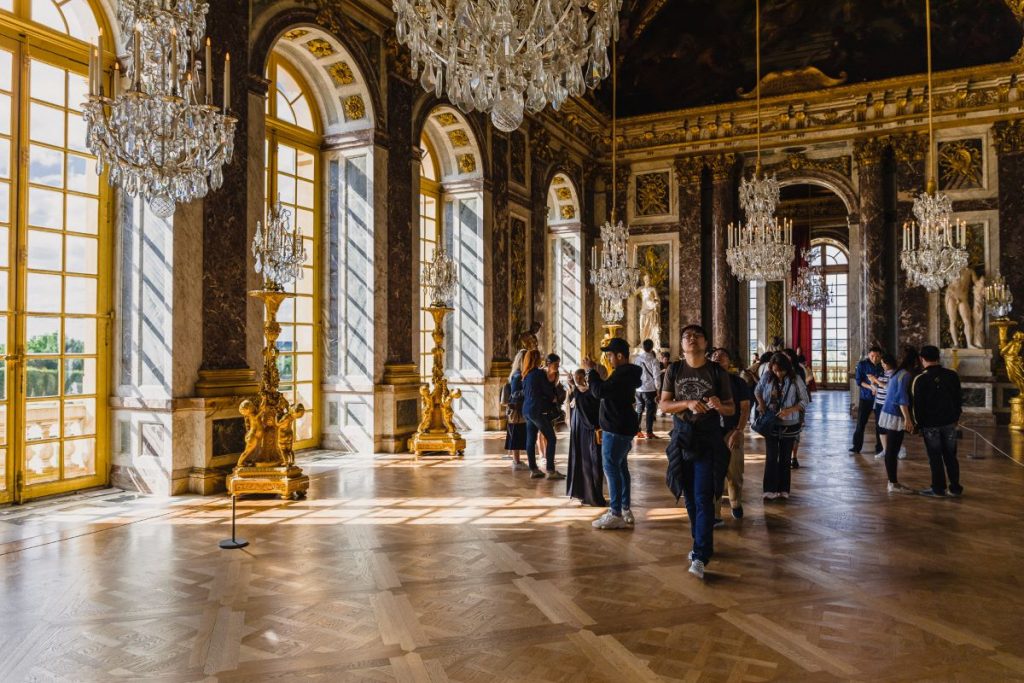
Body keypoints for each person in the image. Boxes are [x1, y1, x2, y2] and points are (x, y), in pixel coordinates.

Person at [660, 324, 734, 580]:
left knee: (703, 496)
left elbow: (730, 408)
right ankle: (700, 544)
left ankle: (701, 554)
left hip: (707, 439)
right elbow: (664, 404)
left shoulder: (716, 371)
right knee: (689, 496)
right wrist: (687, 403)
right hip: (682, 439)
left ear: (705, 342)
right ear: (681, 344)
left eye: (696, 336)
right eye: (686, 336)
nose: (691, 339)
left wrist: (718, 405)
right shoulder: (674, 370)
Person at [583, 338, 643, 530]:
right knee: (621, 468)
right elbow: (607, 391)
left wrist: (590, 372)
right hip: (622, 427)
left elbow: (599, 391)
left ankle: (615, 512)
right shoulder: (624, 374)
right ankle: (624, 508)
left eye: (609, 355)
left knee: (611, 468)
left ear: (619, 355)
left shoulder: (622, 374)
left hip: (615, 428)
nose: (608, 359)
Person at [755, 353, 809, 500]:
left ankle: (784, 489)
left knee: (785, 458)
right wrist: (761, 404)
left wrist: (789, 410)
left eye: (781, 370)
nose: (778, 373)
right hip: (770, 423)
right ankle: (769, 489)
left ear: (787, 368)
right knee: (771, 457)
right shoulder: (767, 376)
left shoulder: (795, 379)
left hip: (790, 424)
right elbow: (757, 391)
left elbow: (805, 400)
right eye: (775, 370)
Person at [912, 345, 964, 497]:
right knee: (951, 457)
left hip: (930, 425)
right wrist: (956, 418)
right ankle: (955, 488)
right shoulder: (952, 375)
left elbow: (917, 406)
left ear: (922, 359)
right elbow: (958, 399)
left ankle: (938, 489)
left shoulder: (920, 379)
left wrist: (918, 425)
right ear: (938, 358)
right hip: (949, 422)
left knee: (935, 457)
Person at [711, 348, 751, 521]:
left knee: (734, 473)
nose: (718, 358)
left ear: (729, 362)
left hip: (732, 430)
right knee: (713, 475)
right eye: (715, 356)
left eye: (723, 356)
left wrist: (738, 431)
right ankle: (715, 514)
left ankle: (735, 502)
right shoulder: (707, 383)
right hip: (711, 434)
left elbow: (745, 409)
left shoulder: (737, 382)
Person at [877, 346, 920, 494]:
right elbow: (902, 398)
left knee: (892, 449)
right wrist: (908, 419)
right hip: (895, 414)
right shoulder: (905, 375)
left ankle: (893, 482)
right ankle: (893, 483)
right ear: (915, 362)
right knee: (892, 450)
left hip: (890, 412)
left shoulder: (899, 373)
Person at [566, 368, 607, 507]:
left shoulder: (593, 394)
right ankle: (583, 493)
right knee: (582, 462)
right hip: (580, 431)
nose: (580, 380)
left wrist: (574, 389)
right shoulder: (583, 392)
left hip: (590, 433)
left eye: (582, 377)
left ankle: (594, 496)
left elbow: (586, 407)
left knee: (593, 464)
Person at [523, 349, 565, 480]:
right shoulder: (539, 373)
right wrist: (552, 396)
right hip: (537, 411)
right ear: (536, 359)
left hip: (527, 410)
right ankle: (551, 470)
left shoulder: (526, 374)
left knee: (530, 440)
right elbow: (548, 391)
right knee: (551, 438)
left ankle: (533, 469)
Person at [851, 346, 884, 456]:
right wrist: (871, 387)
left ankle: (880, 448)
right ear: (868, 355)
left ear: (881, 356)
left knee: (880, 424)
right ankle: (856, 447)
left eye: (877, 356)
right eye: (872, 356)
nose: (875, 359)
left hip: (880, 398)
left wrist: (878, 388)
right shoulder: (862, 364)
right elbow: (859, 381)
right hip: (866, 397)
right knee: (861, 423)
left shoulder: (883, 365)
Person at [503, 350, 528, 470]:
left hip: (520, 409)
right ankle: (516, 461)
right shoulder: (517, 375)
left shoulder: (521, 374)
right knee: (516, 435)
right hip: (516, 410)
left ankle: (517, 461)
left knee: (519, 434)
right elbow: (514, 393)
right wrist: (528, 391)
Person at [869, 353, 896, 460]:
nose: (883, 365)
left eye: (884, 363)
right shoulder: (882, 373)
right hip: (879, 403)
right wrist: (873, 386)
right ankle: (885, 450)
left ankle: (895, 449)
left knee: (890, 428)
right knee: (880, 427)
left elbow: (889, 388)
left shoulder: (894, 374)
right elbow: (878, 387)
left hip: (888, 404)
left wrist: (876, 381)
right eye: (882, 363)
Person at [634, 339, 660, 439]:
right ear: (652, 347)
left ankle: (637, 431)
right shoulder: (654, 360)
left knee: (639, 410)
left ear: (643, 347)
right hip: (650, 390)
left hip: (638, 389)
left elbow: (634, 374)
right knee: (650, 411)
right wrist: (658, 390)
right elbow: (656, 376)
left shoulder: (637, 359)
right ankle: (649, 432)